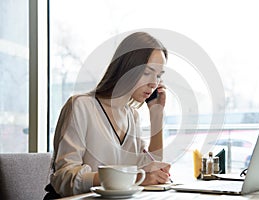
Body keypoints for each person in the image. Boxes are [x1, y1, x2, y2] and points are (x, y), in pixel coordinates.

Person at [44, 32, 171, 198]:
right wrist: (129, 178)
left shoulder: (132, 116)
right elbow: (64, 178)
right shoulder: (81, 106)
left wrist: (157, 114)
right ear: (126, 69)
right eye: (147, 72)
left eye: (159, 76)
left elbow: (151, 167)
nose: (154, 83)